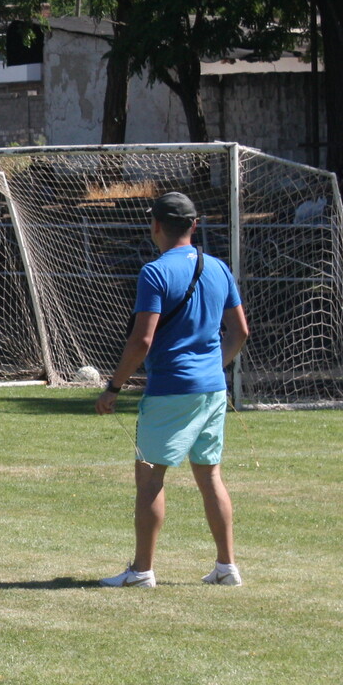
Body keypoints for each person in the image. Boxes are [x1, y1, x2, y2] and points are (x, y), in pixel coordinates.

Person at [95, 192, 251, 588]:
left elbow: (141, 341)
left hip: (170, 388)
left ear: (156, 226)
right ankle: (227, 566)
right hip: (213, 389)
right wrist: (214, 368)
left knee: (149, 477)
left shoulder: (154, 271)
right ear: (194, 226)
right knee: (210, 475)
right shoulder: (218, 268)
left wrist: (113, 387)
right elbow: (241, 332)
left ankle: (142, 570)